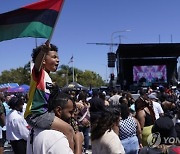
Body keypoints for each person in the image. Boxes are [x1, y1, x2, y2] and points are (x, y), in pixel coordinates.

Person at [24, 41, 74, 150]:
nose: (58, 60)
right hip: (37, 114)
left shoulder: (49, 78)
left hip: (43, 114)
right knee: (69, 130)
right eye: (54, 57)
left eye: (58, 57)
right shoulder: (39, 73)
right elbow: (37, 66)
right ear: (43, 61)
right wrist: (43, 51)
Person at [26, 87, 84, 154]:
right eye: (70, 112)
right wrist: (78, 143)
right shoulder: (57, 138)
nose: (73, 116)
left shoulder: (34, 130)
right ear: (59, 110)